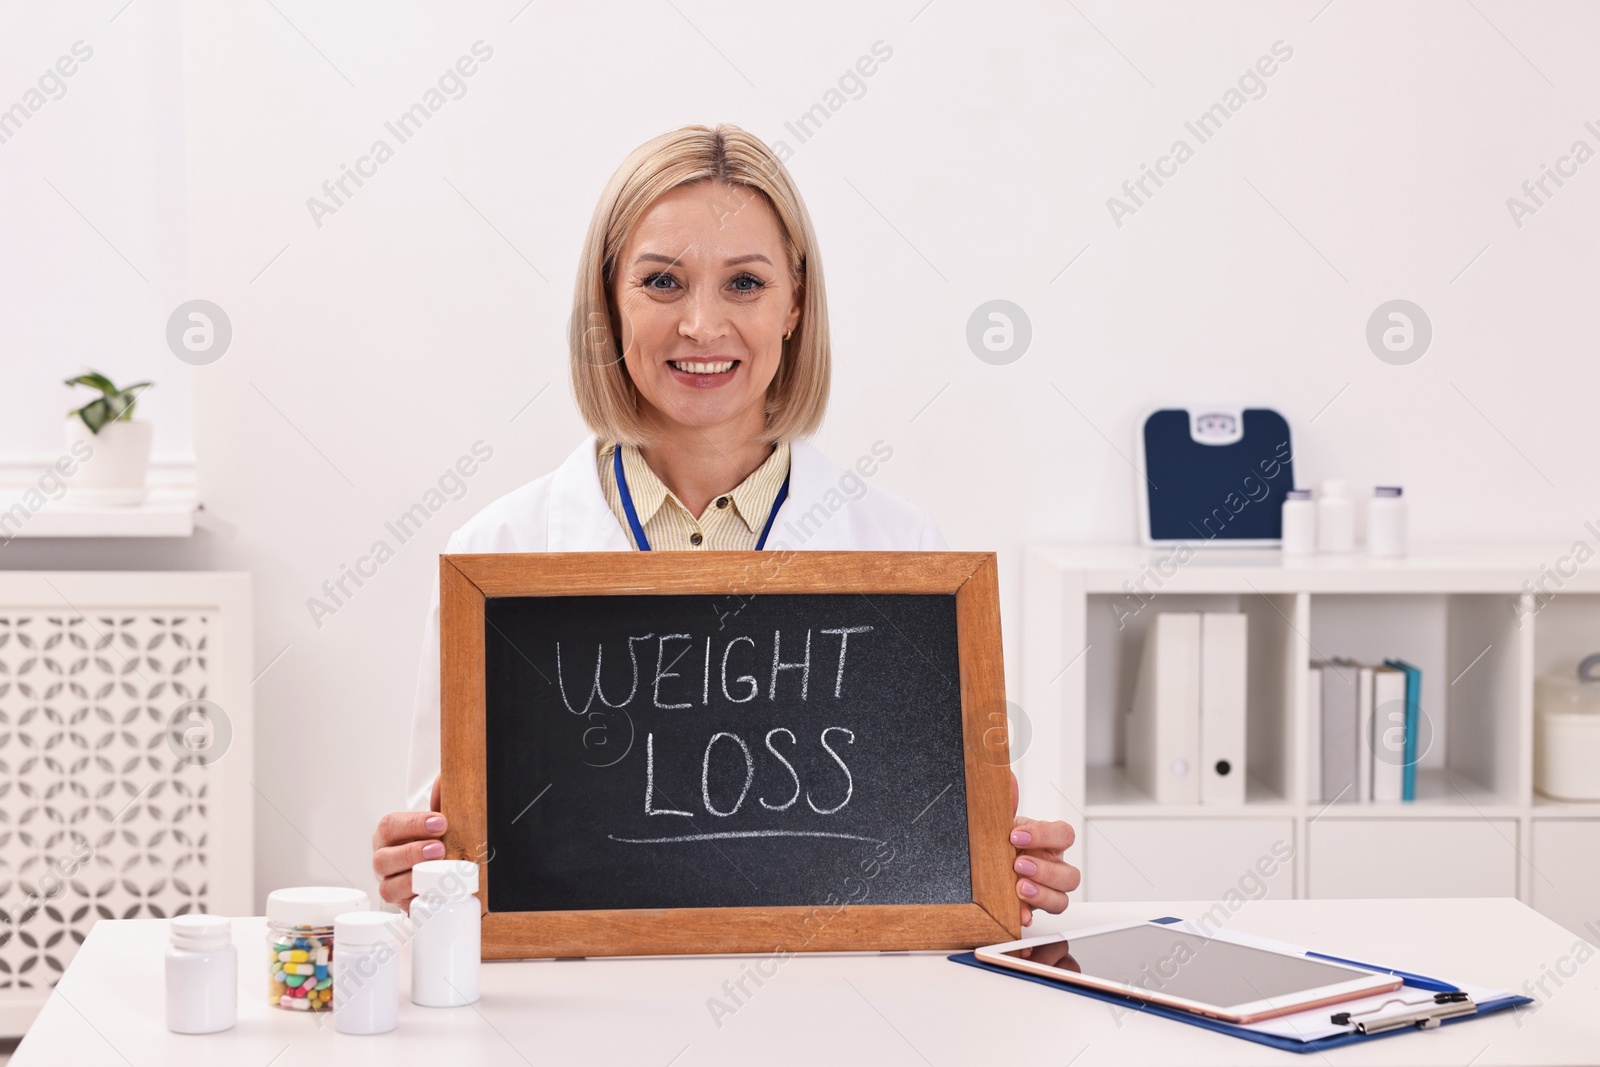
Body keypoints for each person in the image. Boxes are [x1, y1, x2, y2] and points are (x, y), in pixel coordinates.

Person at [372, 123, 1080, 928]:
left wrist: (1001, 868)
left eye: (744, 283)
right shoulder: (493, 556)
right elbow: (444, 880)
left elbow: (927, 863)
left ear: (795, 304)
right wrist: (415, 877)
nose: (702, 325)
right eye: (662, 283)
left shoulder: (906, 557)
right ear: (609, 301)